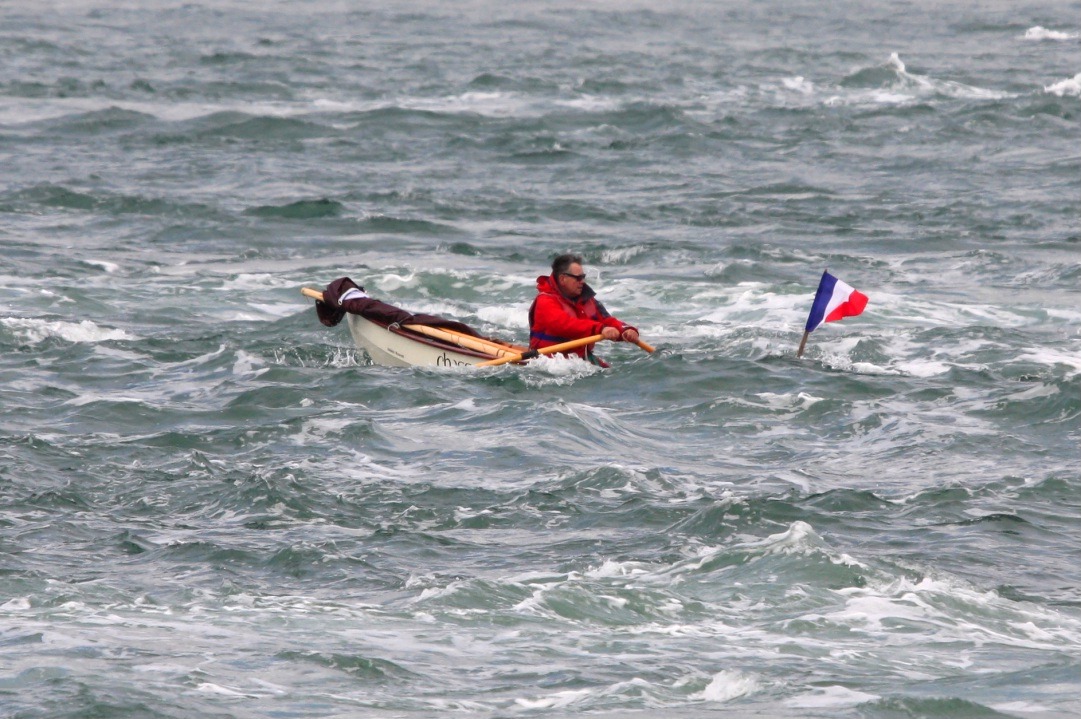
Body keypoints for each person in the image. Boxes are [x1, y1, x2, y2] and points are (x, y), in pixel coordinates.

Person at [528, 253, 640, 367]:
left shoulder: (588, 300)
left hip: (580, 361)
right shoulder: (545, 300)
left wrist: (626, 330)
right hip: (548, 362)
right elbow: (564, 325)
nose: (582, 281)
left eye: (583, 277)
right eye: (578, 278)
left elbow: (607, 320)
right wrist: (600, 329)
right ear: (562, 279)